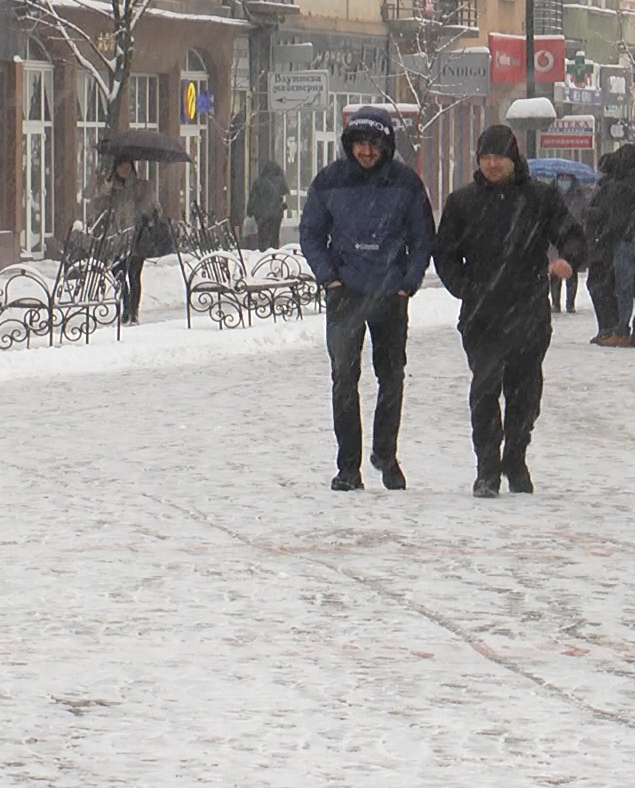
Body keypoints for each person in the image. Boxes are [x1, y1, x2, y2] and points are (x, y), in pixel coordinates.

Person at [435, 126, 585, 497]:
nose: (492, 164)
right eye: (485, 158)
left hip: (528, 311)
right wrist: (465, 288)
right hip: (482, 315)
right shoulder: (463, 202)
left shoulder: (539, 197)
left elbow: (571, 234)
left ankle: (515, 457)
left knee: (525, 393)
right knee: (484, 390)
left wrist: (569, 259)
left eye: (498, 158)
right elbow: (445, 253)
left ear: (513, 159)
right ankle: (487, 467)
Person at [300, 106, 435, 492]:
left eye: (374, 144)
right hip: (345, 293)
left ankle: (385, 454)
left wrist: (408, 281)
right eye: (360, 144)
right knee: (344, 379)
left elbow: (423, 236)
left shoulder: (406, 184)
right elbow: (311, 233)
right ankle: (348, 467)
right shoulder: (330, 181)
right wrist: (329, 277)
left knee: (391, 377)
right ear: (349, 145)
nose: (367, 151)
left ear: (387, 145)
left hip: (390, 294)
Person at [586, 143, 635, 347]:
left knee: (623, 289)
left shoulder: (620, 187)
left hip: (623, 243)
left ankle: (622, 331)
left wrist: (612, 233)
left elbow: (613, 217)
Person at [91, 156, 162, 325]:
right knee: (118, 274)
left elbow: (155, 208)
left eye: (127, 166)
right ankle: (126, 305)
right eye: (120, 166)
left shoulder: (142, 186)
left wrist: (143, 212)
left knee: (134, 275)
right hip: (117, 238)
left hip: (137, 236)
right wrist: (106, 187)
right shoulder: (112, 189)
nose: (124, 170)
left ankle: (133, 311)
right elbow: (98, 206)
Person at [583, 152, 621, 342]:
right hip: (600, 244)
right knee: (601, 286)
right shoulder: (603, 187)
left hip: (603, 245)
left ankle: (607, 327)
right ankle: (607, 327)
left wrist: (589, 213)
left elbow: (606, 213)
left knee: (600, 287)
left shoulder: (609, 189)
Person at [547, 171, 589, 313]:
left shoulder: (580, 197)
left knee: (571, 270)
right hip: (554, 238)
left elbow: (585, 216)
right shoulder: (550, 196)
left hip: (573, 239)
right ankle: (555, 303)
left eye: (567, 178)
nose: (564, 182)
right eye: (561, 178)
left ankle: (570, 304)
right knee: (555, 272)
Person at [246, 159, 288, 249]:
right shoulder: (280, 180)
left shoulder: (259, 182)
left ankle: (263, 250)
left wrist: (250, 211)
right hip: (276, 213)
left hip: (262, 215)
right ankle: (274, 250)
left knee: (263, 235)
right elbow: (284, 192)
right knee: (274, 235)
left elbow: (253, 198)